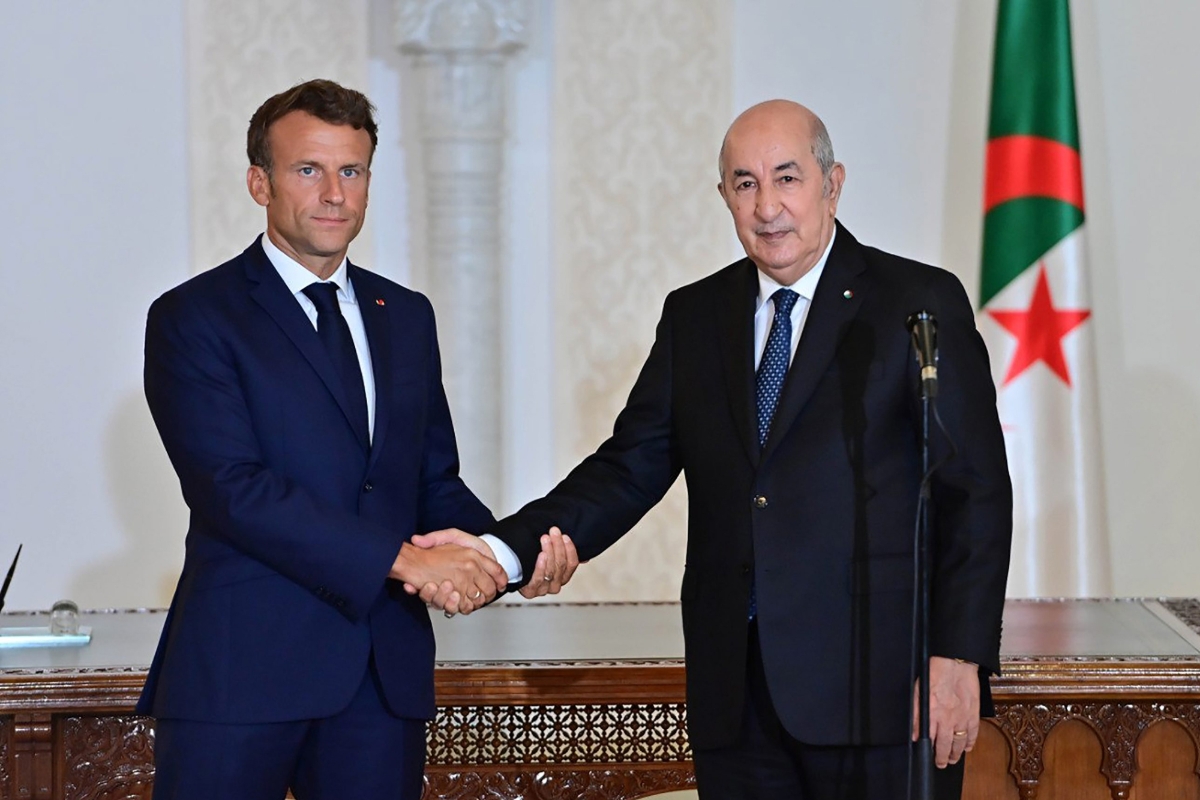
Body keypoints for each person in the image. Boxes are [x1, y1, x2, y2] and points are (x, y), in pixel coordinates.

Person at [432, 100, 1012, 799]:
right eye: (744, 183)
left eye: (787, 178)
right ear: (724, 197)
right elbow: (627, 467)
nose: (767, 206)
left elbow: (975, 490)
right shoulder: (695, 315)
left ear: (832, 184)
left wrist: (959, 654)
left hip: (877, 691)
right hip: (736, 697)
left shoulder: (916, 303)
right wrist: (504, 552)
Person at [138, 79, 569, 800]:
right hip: (241, 675)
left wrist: (507, 556)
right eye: (309, 170)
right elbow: (233, 489)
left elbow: (429, 481)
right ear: (259, 183)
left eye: (353, 170)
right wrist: (404, 561)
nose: (334, 192)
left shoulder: (405, 316)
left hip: (379, 679)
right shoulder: (193, 318)